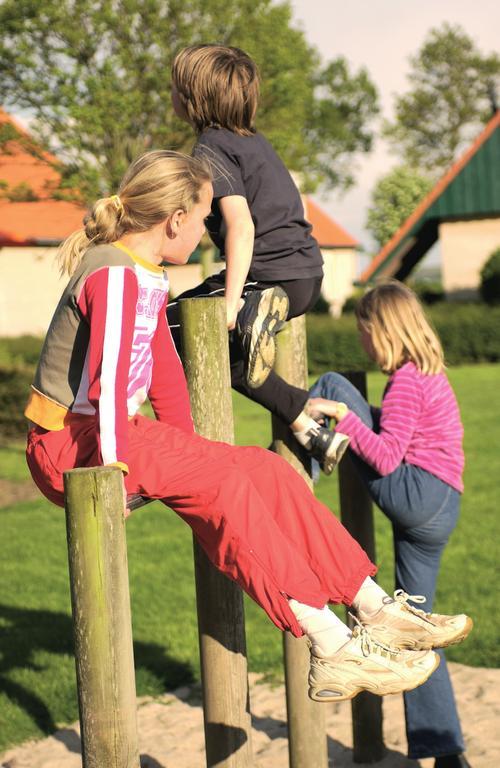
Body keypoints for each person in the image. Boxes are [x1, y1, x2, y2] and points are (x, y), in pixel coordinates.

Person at [24, 151, 468, 706]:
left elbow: (164, 376)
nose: (210, 234)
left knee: (263, 468)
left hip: (115, 431)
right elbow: (109, 383)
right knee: (226, 487)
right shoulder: (112, 273)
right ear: (175, 219)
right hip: (70, 446)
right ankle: (330, 647)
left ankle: (374, 607)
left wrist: (200, 452)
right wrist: (115, 471)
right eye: (206, 219)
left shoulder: (148, 277)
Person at [307, 280, 472, 766]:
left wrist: (344, 415)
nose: (361, 340)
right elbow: (399, 431)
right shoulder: (428, 374)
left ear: (383, 330)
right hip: (442, 504)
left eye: (364, 331)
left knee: (335, 385)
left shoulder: (404, 379)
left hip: (416, 495)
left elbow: (382, 456)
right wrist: (363, 418)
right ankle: (446, 752)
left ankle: (302, 479)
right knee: (416, 630)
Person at [168, 43, 349, 475]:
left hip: (266, 275)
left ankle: (251, 312)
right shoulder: (255, 143)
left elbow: (242, 226)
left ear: (194, 97)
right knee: (226, 355)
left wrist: (229, 303)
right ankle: (307, 422)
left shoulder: (209, 149)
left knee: (171, 327)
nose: (170, 94)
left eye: (175, 87)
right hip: (305, 273)